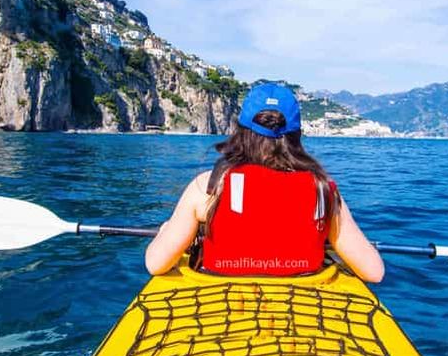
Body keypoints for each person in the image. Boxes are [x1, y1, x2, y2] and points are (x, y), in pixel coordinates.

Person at [145, 82, 384, 282]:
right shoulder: (323, 190)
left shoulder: (208, 185)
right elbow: (374, 272)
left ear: (241, 131)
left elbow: (156, 264)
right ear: (296, 135)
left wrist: (166, 232)